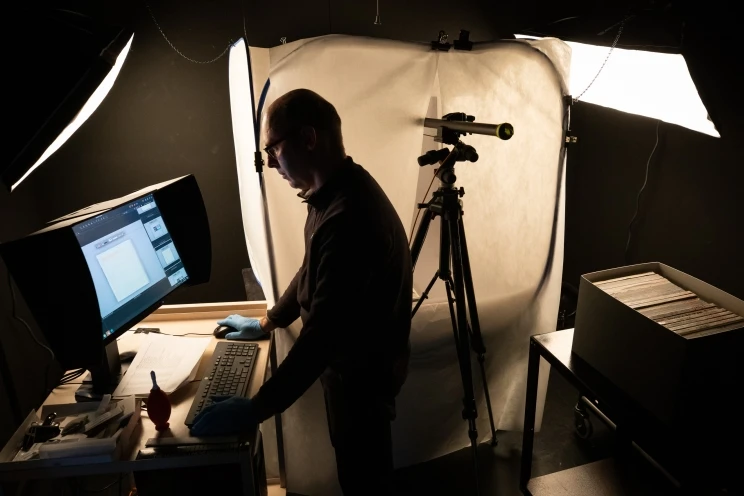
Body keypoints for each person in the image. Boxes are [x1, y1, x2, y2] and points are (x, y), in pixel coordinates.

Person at [191, 89, 413, 494]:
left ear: (309, 138)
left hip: (360, 382)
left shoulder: (350, 217)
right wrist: (270, 320)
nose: (271, 161)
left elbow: (322, 339)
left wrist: (257, 408)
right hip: (352, 373)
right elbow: (313, 270)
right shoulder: (332, 195)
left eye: (273, 148)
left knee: (365, 479)